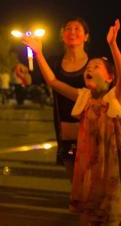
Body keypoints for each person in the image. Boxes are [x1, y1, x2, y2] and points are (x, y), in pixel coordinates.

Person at [28, 19, 121, 226]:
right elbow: (54, 82)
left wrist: (113, 44)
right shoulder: (83, 97)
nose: (89, 69)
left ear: (110, 77)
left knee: (113, 210)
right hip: (89, 164)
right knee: (88, 208)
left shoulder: (115, 98)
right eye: (88, 67)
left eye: (96, 66)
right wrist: (38, 53)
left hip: (113, 163)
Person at [44, 18, 90, 178]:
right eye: (68, 29)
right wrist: (22, 72)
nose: (72, 32)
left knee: (91, 180)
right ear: (62, 35)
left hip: (90, 130)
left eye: (77, 29)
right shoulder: (54, 62)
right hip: (66, 131)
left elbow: (88, 96)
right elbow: (31, 79)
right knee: (75, 181)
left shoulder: (94, 64)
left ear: (86, 36)